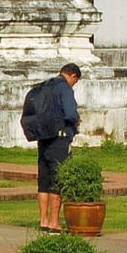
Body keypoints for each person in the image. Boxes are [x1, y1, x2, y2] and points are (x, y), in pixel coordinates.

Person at [34, 62, 81, 232]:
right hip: (59, 138)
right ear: (73, 76)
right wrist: (76, 120)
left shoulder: (46, 86)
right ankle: (54, 222)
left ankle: (43, 220)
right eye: (76, 81)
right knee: (58, 179)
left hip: (43, 137)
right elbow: (69, 112)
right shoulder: (65, 89)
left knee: (44, 180)